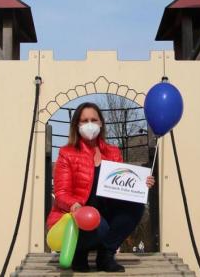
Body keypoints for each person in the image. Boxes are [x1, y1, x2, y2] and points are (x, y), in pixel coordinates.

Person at [46, 102, 156, 273]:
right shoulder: (67, 153)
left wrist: (141, 184)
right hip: (78, 218)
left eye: (93, 119)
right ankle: (79, 252)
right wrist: (73, 205)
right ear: (76, 125)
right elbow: (61, 193)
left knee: (136, 206)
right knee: (99, 225)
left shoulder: (113, 152)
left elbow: (123, 185)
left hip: (105, 214)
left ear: (101, 123)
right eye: (84, 121)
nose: (89, 124)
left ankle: (106, 255)